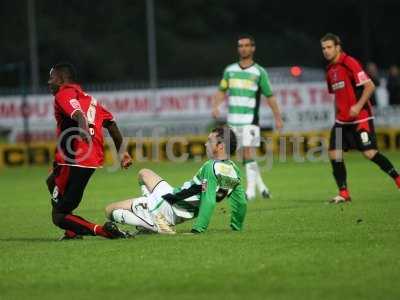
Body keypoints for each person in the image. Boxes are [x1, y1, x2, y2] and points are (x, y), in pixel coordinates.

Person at [105, 126, 247, 234]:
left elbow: (208, 199)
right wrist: (236, 226)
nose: (205, 144)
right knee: (143, 173)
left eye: (210, 141)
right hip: (172, 195)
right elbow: (240, 202)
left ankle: (153, 221)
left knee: (109, 211)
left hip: (169, 205)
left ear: (220, 146)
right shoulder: (235, 171)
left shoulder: (211, 167)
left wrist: (198, 229)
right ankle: (150, 211)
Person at [46, 62, 133, 239]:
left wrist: (83, 128)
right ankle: (72, 230)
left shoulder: (64, 93)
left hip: (74, 158)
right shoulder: (90, 100)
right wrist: (122, 152)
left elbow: (78, 114)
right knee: (52, 183)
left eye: (52, 78)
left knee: (59, 215)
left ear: (62, 79)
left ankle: (103, 231)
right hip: (90, 160)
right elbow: (112, 125)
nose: (49, 82)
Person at [321, 33, 400, 203]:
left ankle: (397, 178)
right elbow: (337, 95)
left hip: (360, 119)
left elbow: (369, 86)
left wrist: (357, 106)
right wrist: (337, 114)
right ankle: (343, 193)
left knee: (370, 153)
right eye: (323, 48)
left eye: (329, 47)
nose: (326, 51)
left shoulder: (349, 62)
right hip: (342, 121)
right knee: (335, 154)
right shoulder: (330, 70)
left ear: (337, 47)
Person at [212, 34, 283, 201]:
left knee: (248, 153)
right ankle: (263, 188)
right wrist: (215, 106)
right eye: (240, 45)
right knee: (241, 156)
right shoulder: (230, 71)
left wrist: (278, 117)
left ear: (253, 48)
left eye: (246, 45)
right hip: (232, 120)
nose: (243, 48)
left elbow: (270, 96)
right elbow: (222, 90)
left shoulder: (259, 72)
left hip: (250, 120)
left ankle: (250, 192)